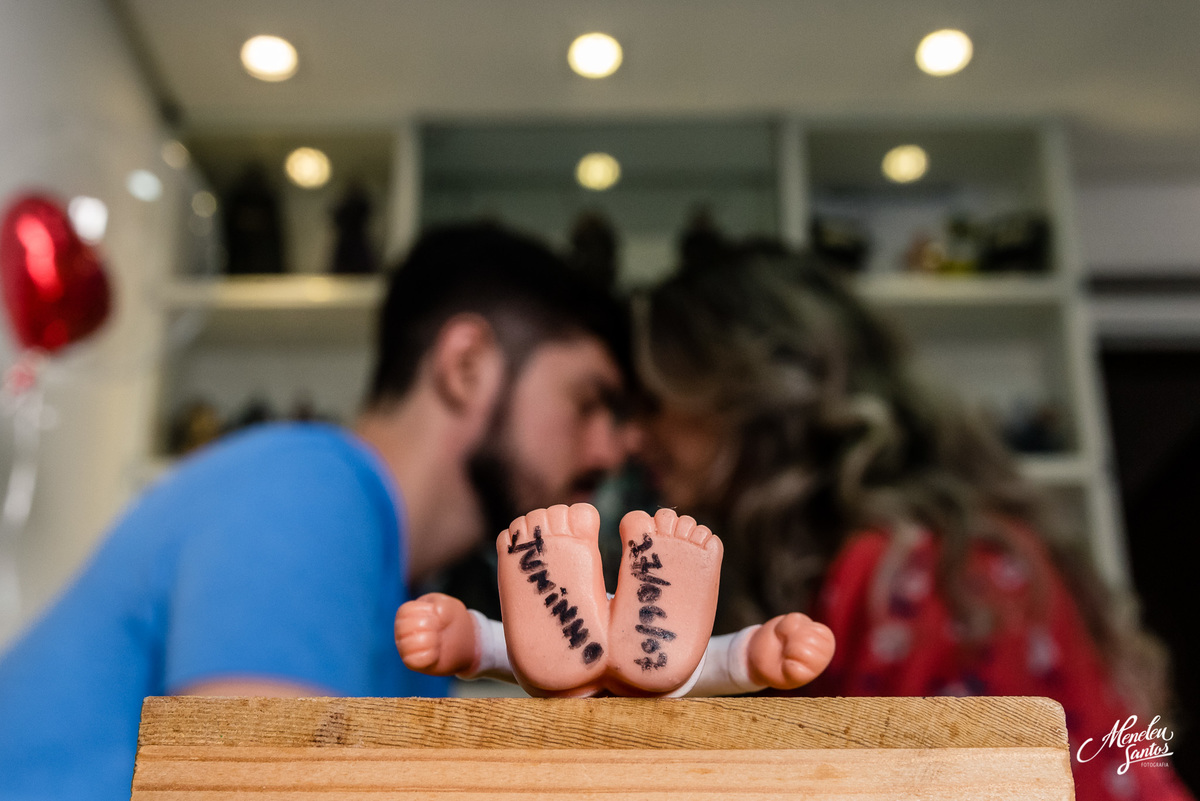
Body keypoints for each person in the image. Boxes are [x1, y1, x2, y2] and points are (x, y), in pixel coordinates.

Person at [0, 223, 637, 801]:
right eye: (588, 403)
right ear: (466, 366)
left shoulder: (410, 619)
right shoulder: (311, 491)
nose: (613, 449)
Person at [630, 240, 1194, 801]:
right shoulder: (896, 562)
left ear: (742, 395)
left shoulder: (924, 572)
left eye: (653, 401)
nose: (634, 438)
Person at [395, 503, 836, 697]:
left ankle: (610, 636)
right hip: (656, 683)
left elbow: (494, 650)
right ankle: (643, 626)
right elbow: (723, 665)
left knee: (533, 659)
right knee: (684, 670)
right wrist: (760, 658)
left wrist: (460, 642)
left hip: (569, 682)